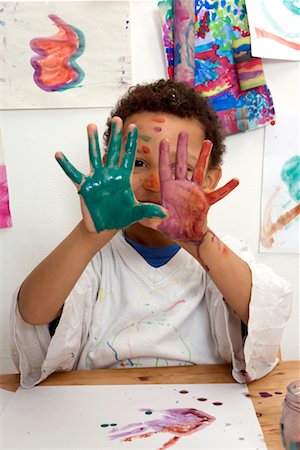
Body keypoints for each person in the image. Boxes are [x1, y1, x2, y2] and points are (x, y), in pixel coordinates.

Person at [10, 79, 292, 388]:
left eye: (180, 169)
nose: (157, 184)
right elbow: (32, 314)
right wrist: (88, 237)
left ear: (209, 180)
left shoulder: (221, 256)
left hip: (203, 408)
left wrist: (200, 243)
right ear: (110, 170)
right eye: (139, 163)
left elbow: (266, 316)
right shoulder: (94, 257)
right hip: (100, 407)